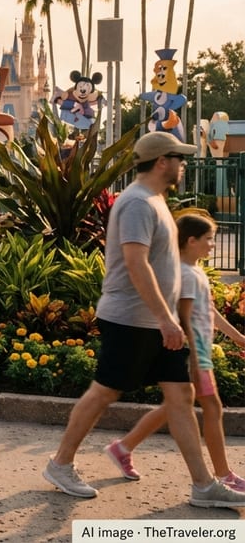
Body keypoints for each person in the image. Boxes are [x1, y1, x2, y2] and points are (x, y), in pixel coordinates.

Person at [42, 131, 245, 508]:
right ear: (162, 162)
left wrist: (167, 320)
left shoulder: (156, 200)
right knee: (105, 391)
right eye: (179, 159)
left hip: (155, 321)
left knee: (181, 396)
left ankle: (203, 485)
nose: (183, 165)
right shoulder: (137, 203)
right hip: (131, 319)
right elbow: (135, 264)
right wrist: (166, 319)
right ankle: (61, 463)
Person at [104, 213, 245, 490]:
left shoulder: (192, 270)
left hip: (197, 350)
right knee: (212, 408)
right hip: (194, 351)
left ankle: (123, 447)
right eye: (208, 240)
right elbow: (184, 316)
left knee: (174, 407)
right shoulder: (186, 275)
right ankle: (224, 474)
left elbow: (209, 311)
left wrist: (238, 337)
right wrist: (195, 358)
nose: (212, 245)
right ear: (191, 241)